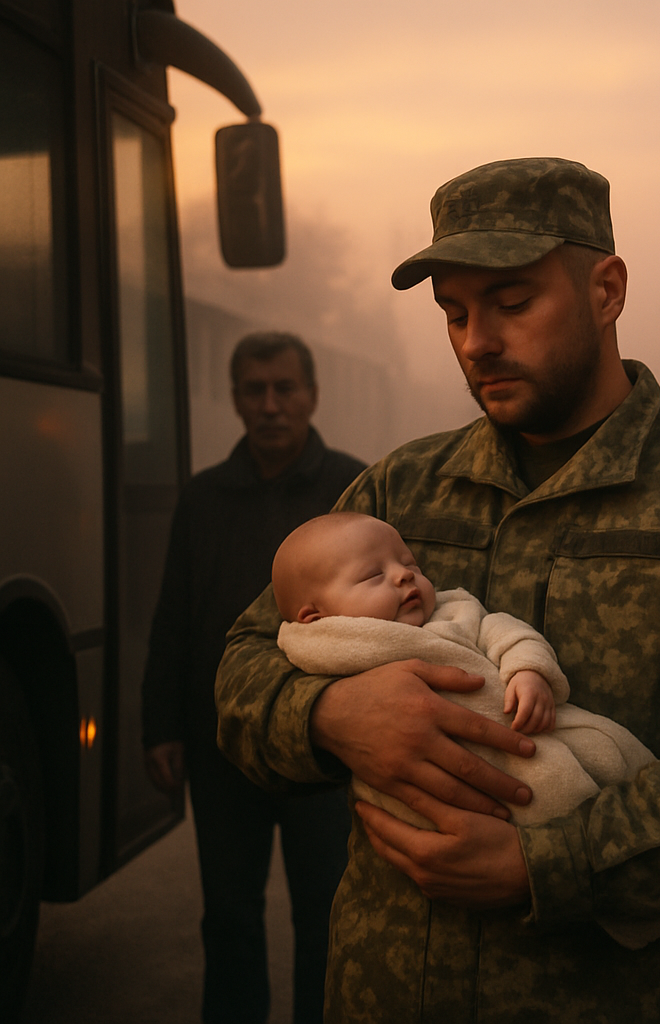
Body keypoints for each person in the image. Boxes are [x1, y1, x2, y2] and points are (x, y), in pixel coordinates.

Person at [215, 157, 660, 1023]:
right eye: (455, 313)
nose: (477, 340)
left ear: (607, 290)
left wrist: (549, 864)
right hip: (386, 992)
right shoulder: (402, 488)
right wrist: (333, 719)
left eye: (512, 303)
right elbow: (245, 666)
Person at [272, 510, 660, 948]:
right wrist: (328, 711)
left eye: (411, 565)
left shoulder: (454, 610)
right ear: (315, 616)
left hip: (530, 745)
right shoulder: (320, 648)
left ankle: (619, 879)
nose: (404, 576)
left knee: (609, 773)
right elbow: (252, 675)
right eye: (372, 576)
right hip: (424, 806)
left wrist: (528, 672)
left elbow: (508, 632)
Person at [142, 332, 366, 1024]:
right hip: (223, 746)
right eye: (254, 390)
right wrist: (161, 728)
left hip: (323, 748)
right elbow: (176, 614)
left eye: (285, 388)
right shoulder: (205, 497)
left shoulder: (352, 488)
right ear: (236, 399)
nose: (271, 405)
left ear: (312, 395)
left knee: (325, 918)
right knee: (230, 918)